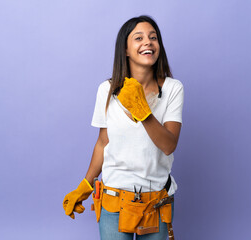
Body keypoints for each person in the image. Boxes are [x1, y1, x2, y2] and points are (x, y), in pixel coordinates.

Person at [63, 15, 184, 240]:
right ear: (126, 50)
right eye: (139, 38)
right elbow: (102, 142)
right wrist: (86, 185)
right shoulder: (106, 90)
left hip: (157, 201)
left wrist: (143, 112)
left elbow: (169, 145)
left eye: (153, 37)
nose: (148, 42)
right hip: (113, 200)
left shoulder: (172, 88)